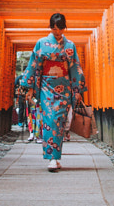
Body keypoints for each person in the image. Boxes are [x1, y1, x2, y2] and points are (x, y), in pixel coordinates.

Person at [17, 13, 87, 172]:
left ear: (64, 28)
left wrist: (77, 90)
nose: (57, 32)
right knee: (49, 121)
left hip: (64, 87)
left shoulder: (70, 46)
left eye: (60, 29)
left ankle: (56, 157)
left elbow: (75, 67)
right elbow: (33, 65)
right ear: (50, 27)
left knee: (60, 122)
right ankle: (52, 158)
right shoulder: (41, 43)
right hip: (46, 88)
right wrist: (29, 87)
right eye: (54, 28)